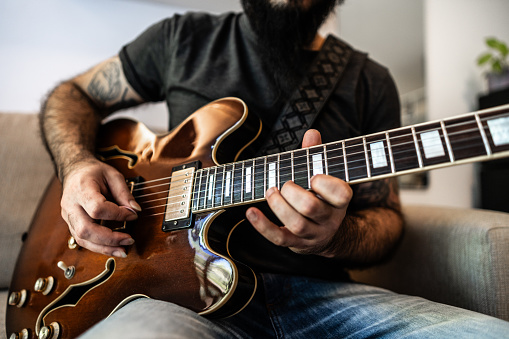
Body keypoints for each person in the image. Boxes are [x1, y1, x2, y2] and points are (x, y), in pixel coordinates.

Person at [40, 0, 509, 338]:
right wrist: (79, 163)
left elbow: (386, 218)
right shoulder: (181, 38)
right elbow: (71, 95)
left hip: (324, 301)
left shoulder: (370, 81)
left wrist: (335, 238)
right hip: (179, 299)